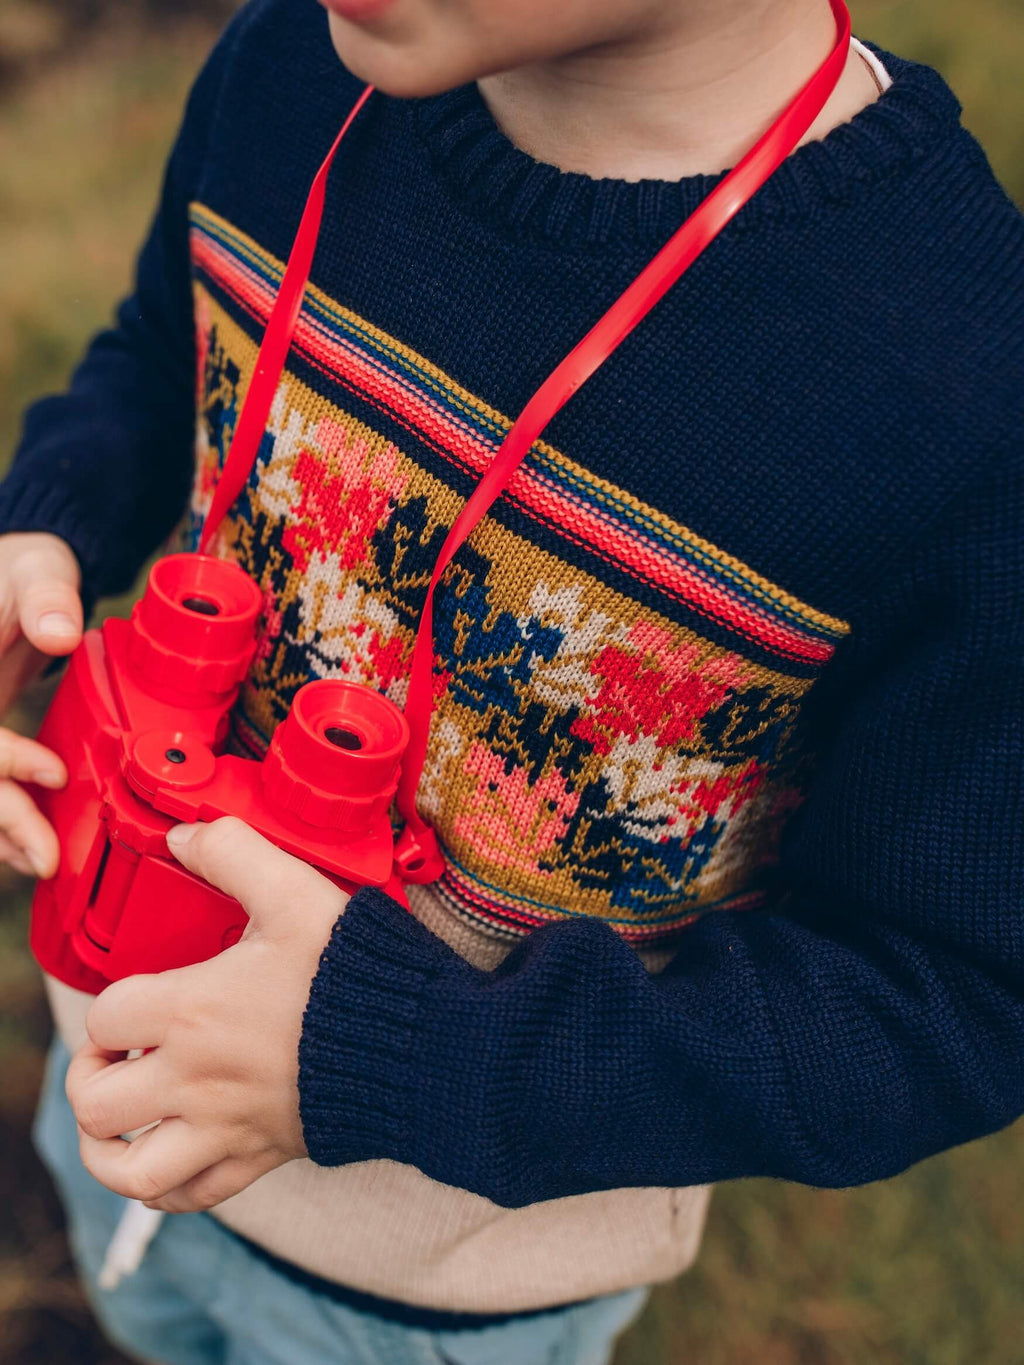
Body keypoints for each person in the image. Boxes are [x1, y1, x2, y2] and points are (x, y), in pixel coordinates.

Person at [0, 0, 1021, 1361]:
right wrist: (49, 522)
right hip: (106, 1057)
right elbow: (158, 353)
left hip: (433, 1297)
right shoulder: (286, 67)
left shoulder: (957, 382)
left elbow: (943, 993)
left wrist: (404, 1050)